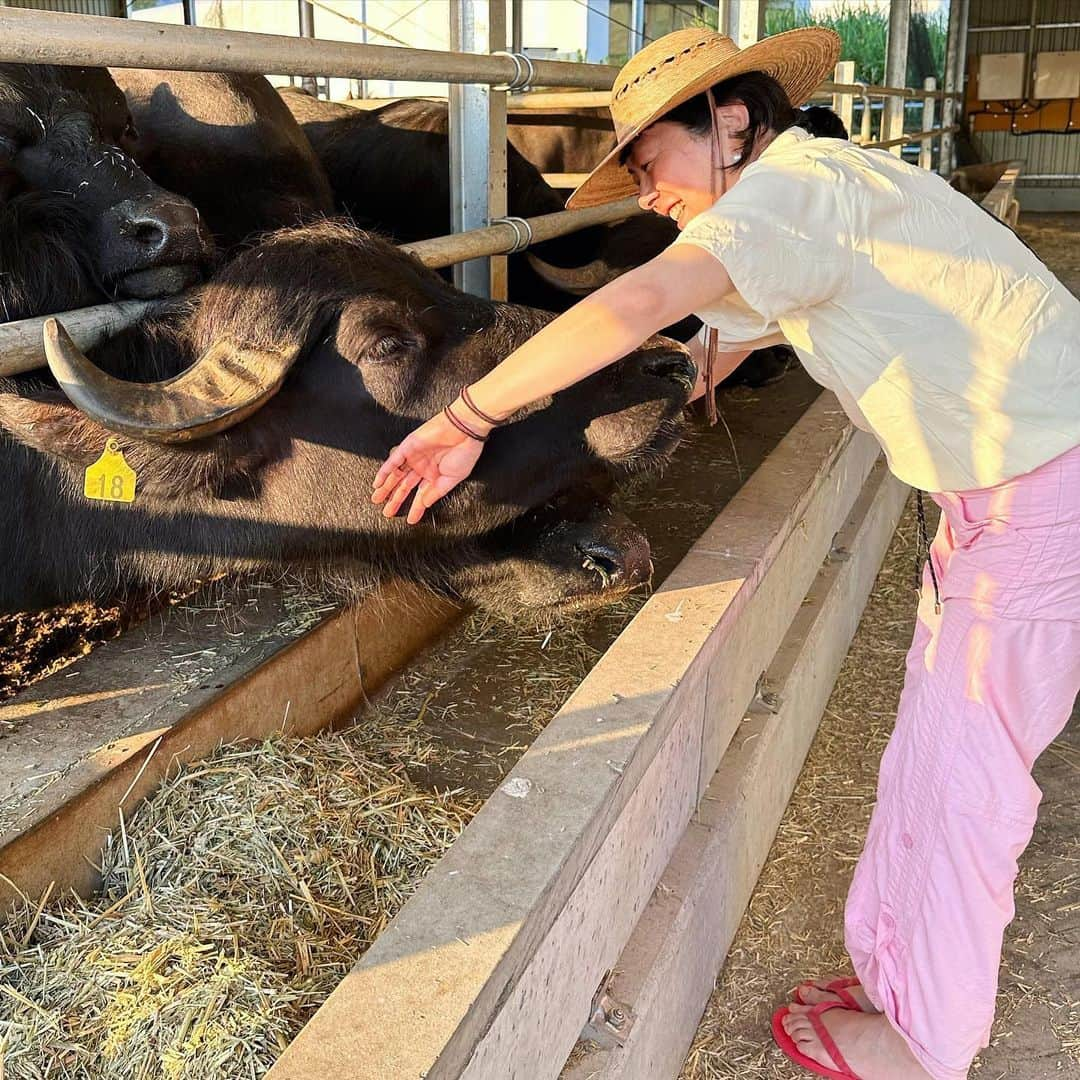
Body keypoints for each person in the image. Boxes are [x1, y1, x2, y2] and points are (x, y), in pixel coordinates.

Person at [371, 26, 1080, 1080]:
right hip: (1008, 497)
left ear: (731, 121)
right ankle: (898, 981)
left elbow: (647, 298)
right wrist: (658, 391)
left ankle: (923, 1046)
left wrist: (468, 415)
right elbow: (728, 332)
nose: (645, 192)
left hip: (1037, 506)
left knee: (966, 779)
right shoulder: (818, 191)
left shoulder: (788, 197)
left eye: (649, 160)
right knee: (931, 746)